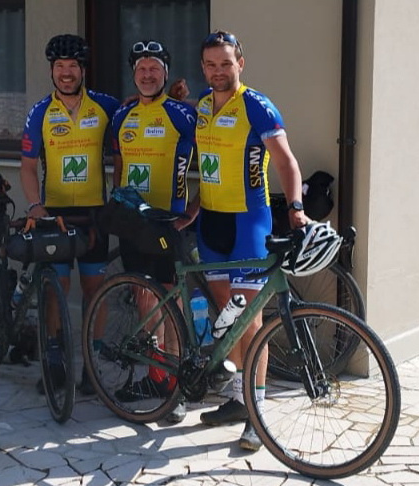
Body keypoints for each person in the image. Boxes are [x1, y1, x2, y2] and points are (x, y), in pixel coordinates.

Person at [194, 30, 310, 451]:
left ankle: (256, 412)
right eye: (211, 64)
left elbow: (286, 162)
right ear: (203, 67)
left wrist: (296, 208)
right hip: (210, 222)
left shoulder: (256, 106)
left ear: (240, 63)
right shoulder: (201, 106)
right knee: (228, 319)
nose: (218, 71)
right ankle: (238, 398)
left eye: (226, 63)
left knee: (249, 320)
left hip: (248, 223)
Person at [20, 34, 120, 395]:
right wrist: (36, 205)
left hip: (94, 215)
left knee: (95, 289)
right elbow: (28, 166)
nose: (66, 72)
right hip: (56, 215)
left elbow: (131, 133)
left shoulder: (105, 106)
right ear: (52, 71)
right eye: (60, 66)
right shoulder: (40, 112)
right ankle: (55, 360)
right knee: (55, 289)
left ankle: (92, 362)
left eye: (73, 66)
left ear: (82, 70)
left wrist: (117, 195)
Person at [110, 39, 197, 423]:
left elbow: (214, 154)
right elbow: (118, 164)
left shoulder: (182, 114)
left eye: (154, 69)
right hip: (133, 221)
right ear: (134, 74)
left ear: (165, 73)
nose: (147, 75)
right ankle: (155, 377)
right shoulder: (122, 115)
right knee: (144, 298)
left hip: (168, 221)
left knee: (170, 302)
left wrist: (194, 207)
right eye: (141, 69)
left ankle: (175, 385)